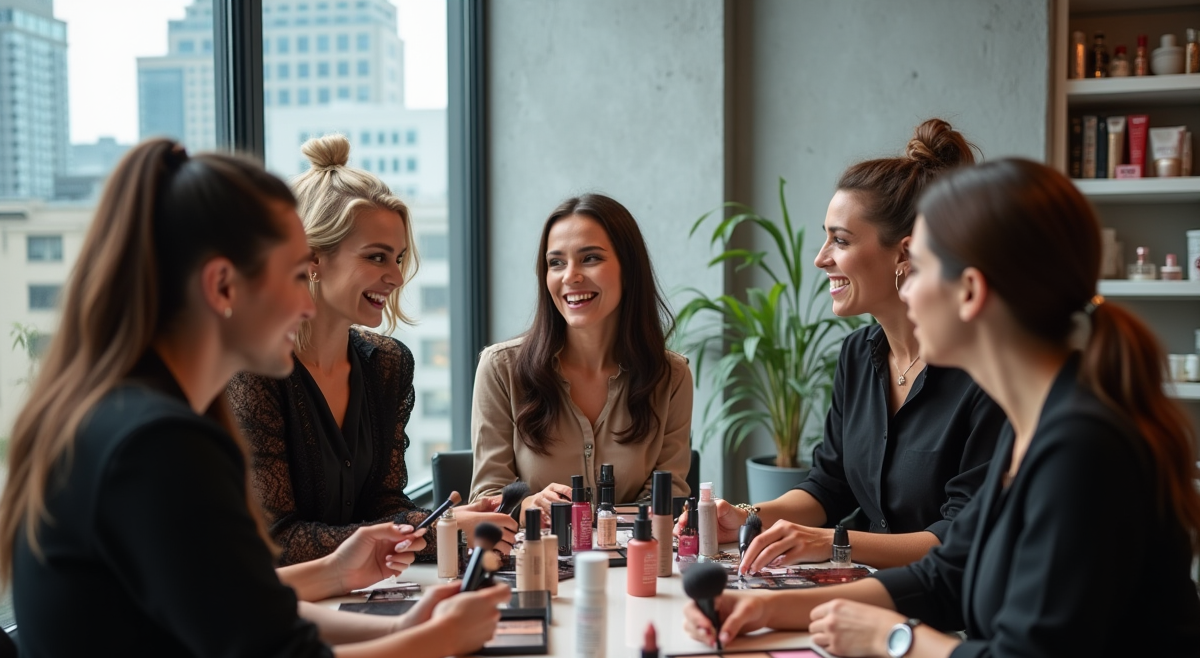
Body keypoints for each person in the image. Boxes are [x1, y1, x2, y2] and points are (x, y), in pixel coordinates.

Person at [1, 140, 510, 658]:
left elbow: (249, 615)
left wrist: (401, 626)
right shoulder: (159, 443)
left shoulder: (125, 412)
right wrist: (434, 642)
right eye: (299, 275)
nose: (308, 304)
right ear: (222, 286)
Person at [683, 158, 1200, 658]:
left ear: (972, 292)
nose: (905, 290)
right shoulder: (1036, 424)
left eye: (917, 269)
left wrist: (892, 636)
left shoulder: (1081, 450)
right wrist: (769, 610)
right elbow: (945, 574)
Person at [695, 119, 1005, 570]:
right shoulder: (859, 354)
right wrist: (743, 517)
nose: (821, 258)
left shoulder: (985, 373)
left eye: (839, 240)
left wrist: (832, 543)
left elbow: (960, 537)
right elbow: (829, 484)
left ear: (904, 253)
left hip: (950, 613)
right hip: (869, 592)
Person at [228, 134, 516, 565]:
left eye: (398, 259)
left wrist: (449, 522)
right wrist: (438, 532)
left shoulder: (388, 363)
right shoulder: (251, 371)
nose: (396, 278)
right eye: (377, 257)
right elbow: (278, 540)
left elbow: (382, 503)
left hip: (362, 593)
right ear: (313, 259)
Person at [471, 194, 693, 521]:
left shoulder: (671, 376)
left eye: (590, 258)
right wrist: (528, 505)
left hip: (631, 562)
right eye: (556, 263)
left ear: (628, 270)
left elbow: (668, 501)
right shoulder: (500, 369)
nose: (570, 276)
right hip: (536, 561)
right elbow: (488, 499)